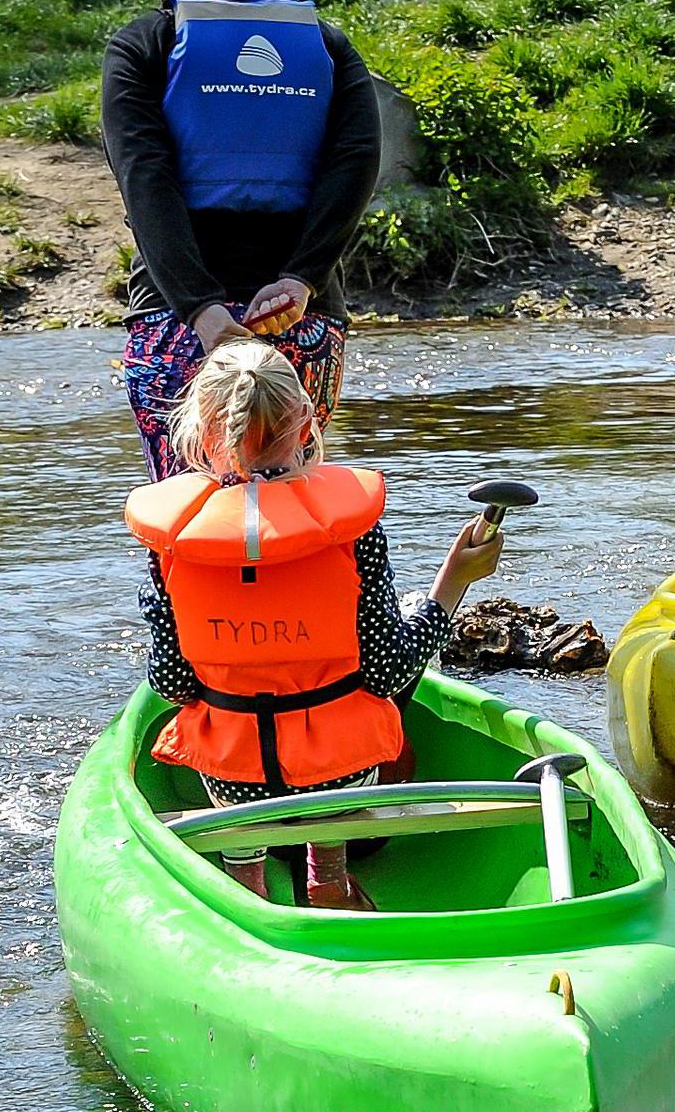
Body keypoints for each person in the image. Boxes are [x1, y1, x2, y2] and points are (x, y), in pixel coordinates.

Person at [127, 339, 502, 909]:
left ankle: (246, 883)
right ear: (306, 420)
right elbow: (387, 671)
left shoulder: (173, 542)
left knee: (234, 788)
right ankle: (328, 874)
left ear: (202, 430)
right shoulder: (351, 528)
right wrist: (452, 582)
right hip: (341, 775)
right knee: (363, 711)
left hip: (234, 780)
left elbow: (171, 684)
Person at [99, 0, 384, 477]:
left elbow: (145, 179)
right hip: (300, 320)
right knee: (295, 508)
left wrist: (203, 311)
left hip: (177, 324)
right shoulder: (327, 44)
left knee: (189, 521)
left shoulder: (140, 45)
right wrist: (302, 279)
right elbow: (356, 164)